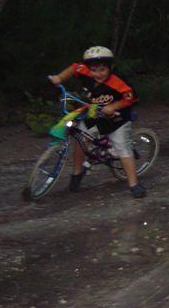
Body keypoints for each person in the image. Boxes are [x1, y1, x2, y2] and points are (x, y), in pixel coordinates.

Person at [48, 46, 147, 198]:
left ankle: (134, 184)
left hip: (117, 118)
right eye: (94, 70)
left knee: (122, 147)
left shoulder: (118, 82)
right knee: (80, 138)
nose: (98, 74)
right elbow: (75, 67)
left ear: (110, 67)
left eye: (102, 69)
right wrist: (60, 78)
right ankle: (77, 172)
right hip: (96, 114)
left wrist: (113, 106)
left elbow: (130, 98)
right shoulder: (85, 71)